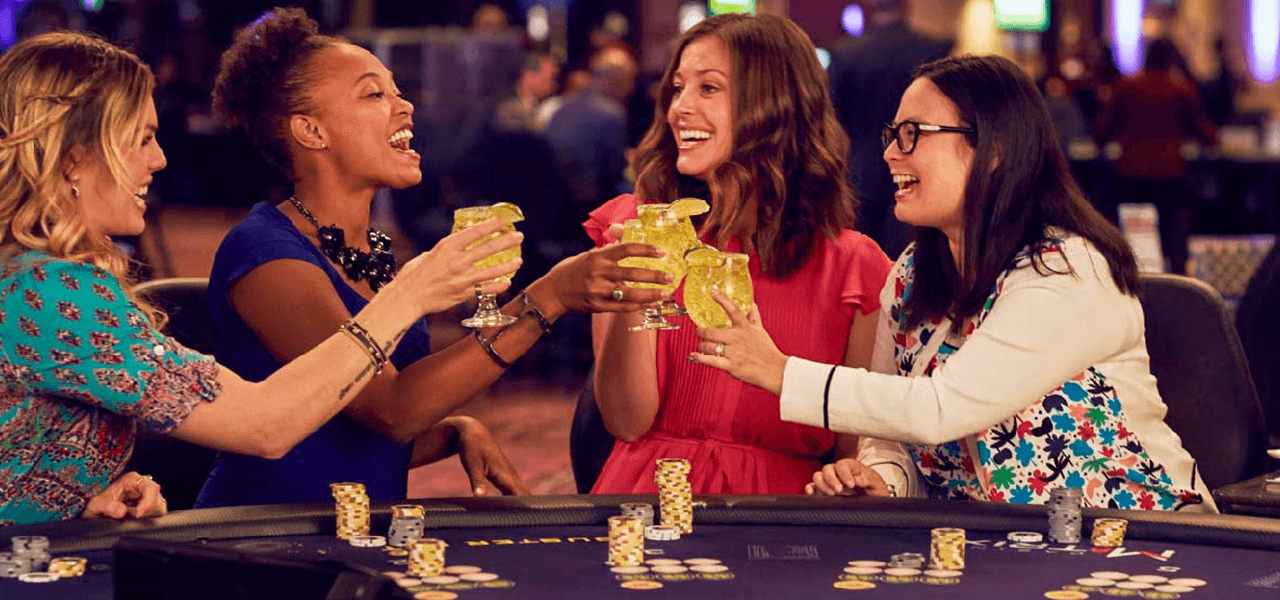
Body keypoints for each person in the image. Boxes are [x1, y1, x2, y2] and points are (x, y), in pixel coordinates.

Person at [0, 31, 522, 525]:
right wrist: (416, 293)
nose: (158, 159)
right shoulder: (49, 291)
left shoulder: (43, 281)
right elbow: (266, 424)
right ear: (75, 160)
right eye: (141, 139)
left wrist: (75, 502)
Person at [692, 54, 1215, 512]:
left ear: (994, 150)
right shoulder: (911, 275)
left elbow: (940, 409)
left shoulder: (1068, 270)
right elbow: (890, 439)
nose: (892, 154)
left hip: (1136, 539)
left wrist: (782, 372)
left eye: (912, 134)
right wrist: (882, 481)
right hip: (991, 551)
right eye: (891, 136)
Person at [195, 8, 670, 508]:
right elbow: (392, 410)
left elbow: (343, 431)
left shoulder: (371, 250)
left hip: (359, 532)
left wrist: (450, 432)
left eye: (398, 91)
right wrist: (546, 298)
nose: (405, 107)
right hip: (264, 541)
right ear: (311, 131)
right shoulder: (266, 253)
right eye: (374, 94)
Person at [585, 13, 913, 496]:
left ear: (774, 106)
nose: (680, 109)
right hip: (649, 495)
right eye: (677, 89)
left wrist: (855, 482)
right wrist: (635, 292)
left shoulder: (854, 268)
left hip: (785, 513)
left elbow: (853, 453)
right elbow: (626, 421)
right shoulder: (639, 227)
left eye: (708, 89)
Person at [827, 0, 952, 261]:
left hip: (859, 169)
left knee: (859, 258)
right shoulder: (930, 49)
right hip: (917, 165)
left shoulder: (845, 52)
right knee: (909, 254)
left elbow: (830, 116)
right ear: (905, 7)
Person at [1096, 38, 1216, 275]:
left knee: (1127, 235)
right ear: (1171, 59)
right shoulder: (1181, 89)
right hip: (1170, 174)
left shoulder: (1124, 87)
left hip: (1130, 175)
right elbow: (1207, 134)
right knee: (1176, 236)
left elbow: (1101, 132)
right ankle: (1181, 285)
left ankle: (1125, 279)